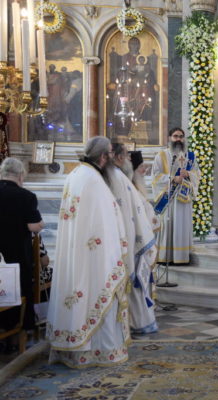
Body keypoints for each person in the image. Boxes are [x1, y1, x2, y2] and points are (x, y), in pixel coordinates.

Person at [47, 137, 130, 367]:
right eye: (110, 153)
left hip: (77, 251)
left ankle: (71, 348)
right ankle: (98, 351)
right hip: (95, 256)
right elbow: (107, 222)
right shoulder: (93, 180)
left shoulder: (75, 174)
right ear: (103, 156)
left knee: (77, 293)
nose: (111, 158)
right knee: (94, 290)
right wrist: (117, 249)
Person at [108, 144, 158, 334]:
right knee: (135, 284)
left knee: (137, 285)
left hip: (133, 239)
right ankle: (138, 323)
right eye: (128, 156)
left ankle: (139, 322)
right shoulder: (122, 181)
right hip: (133, 241)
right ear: (120, 157)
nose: (144, 169)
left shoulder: (123, 180)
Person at [0, 158, 44, 333]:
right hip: (16, 254)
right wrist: (37, 224)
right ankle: (17, 331)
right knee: (18, 289)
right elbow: (34, 226)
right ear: (20, 176)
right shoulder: (26, 196)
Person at [151, 127, 200, 264]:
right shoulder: (161, 156)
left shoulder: (190, 157)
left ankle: (181, 257)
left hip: (184, 199)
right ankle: (166, 257)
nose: (178, 139)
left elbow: (197, 174)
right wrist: (173, 178)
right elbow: (155, 176)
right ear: (169, 138)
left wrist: (188, 174)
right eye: (175, 136)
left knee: (182, 226)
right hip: (169, 199)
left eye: (181, 136)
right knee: (168, 225)